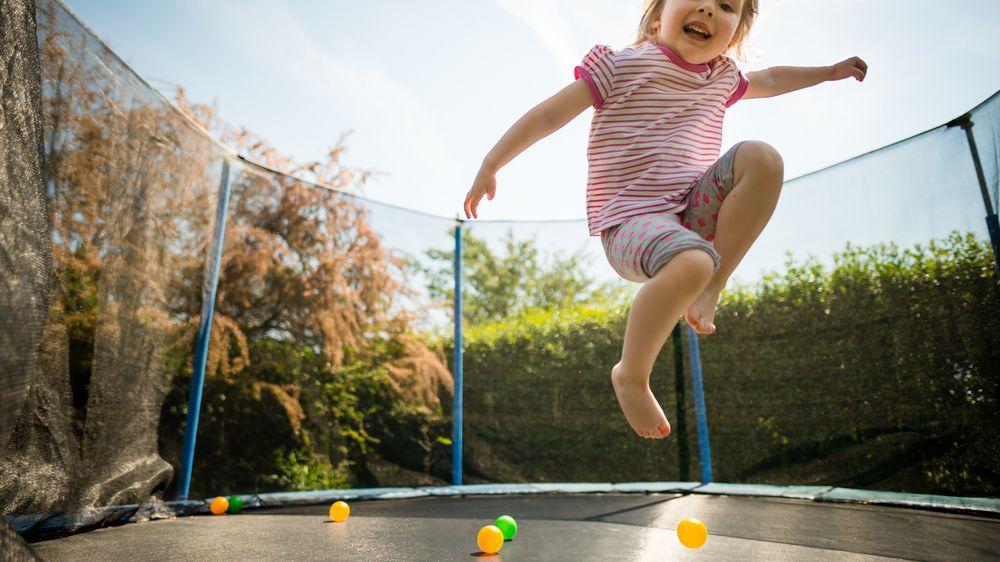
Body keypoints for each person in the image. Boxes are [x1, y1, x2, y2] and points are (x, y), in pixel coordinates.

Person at [463, 0, 867, 439]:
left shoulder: (721, 77)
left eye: (726, 6)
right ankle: (631, 375)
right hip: (630, 221)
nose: (710, 10)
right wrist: (492, 162)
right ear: (658, 18)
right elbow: (549, 113)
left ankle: (712, 286)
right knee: (693, 261)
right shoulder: (621, 66)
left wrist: (827, 72)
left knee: (763, 159)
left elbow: (771, 79)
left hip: (691, 209)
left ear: (733, 35)